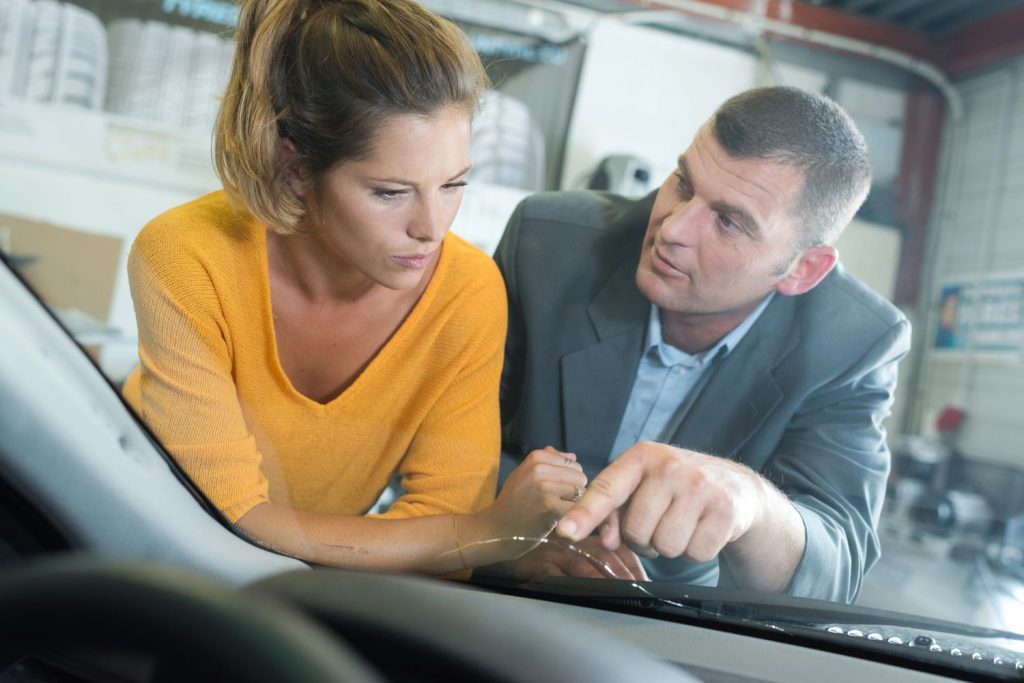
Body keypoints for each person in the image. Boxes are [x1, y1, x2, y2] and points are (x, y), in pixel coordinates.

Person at [122, 0, 587, 574]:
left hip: (290, 590)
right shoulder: (188, 254)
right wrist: (481, 532)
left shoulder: (468, 292)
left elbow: (444, 523)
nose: (432, 227)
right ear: (294, 171)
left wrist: (462, 534)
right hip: (130, 550)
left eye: (452, 184)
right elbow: (227, 518)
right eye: (391, 192)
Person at [493, 86, 911, 602]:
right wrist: (515, 537)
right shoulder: (548, 247)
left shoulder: (851, 342)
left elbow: (834, 571)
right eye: (684, 184)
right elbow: (432, 444)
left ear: (803, 269)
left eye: (729, 222)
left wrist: (751, 502)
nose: (673, 228)